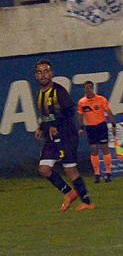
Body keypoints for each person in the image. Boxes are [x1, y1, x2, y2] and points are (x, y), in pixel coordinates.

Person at [34, 60, 95, 212]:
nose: (43, 75)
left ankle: (87, 202)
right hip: (51, 137)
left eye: (46, 71)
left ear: (51, 74)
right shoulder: (40, 93)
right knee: (44, 169)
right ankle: (69, 193)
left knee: (70, 170)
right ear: (36, 75)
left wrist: (56, 126)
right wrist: (41, 127)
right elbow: (47, 115)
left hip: (66, 135)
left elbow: (69, 111)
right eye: (40, 72)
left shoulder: (58, 91)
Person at [77, 81, 116, 183]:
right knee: (94, 150)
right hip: (90, 128)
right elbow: (80, 116)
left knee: (104, 149)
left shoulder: (101, 99)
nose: (88, 89)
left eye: (90, 87)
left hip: (101, 126)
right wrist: (81, 127)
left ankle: (108, 173)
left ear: (93, 88)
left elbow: (108, 112)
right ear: (84, 89)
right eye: (86, 87)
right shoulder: (82, 102)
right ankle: (97, 174)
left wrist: (113, 125)